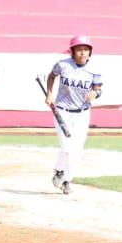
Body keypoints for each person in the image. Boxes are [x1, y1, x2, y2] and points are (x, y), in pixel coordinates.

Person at [44, 35, 102, 195]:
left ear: (90, 52)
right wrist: (49, 94)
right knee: (67, 146)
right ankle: (62, 176)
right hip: (62, 110)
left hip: (83, 113)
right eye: (79, 50)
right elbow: (51, 76)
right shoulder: (62, 65)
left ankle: (64, 177)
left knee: (77, 149)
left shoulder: (94, 70)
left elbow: (98, 89)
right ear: (72, 52)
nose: (82, 53)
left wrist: (95, 94)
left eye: (85, 50)